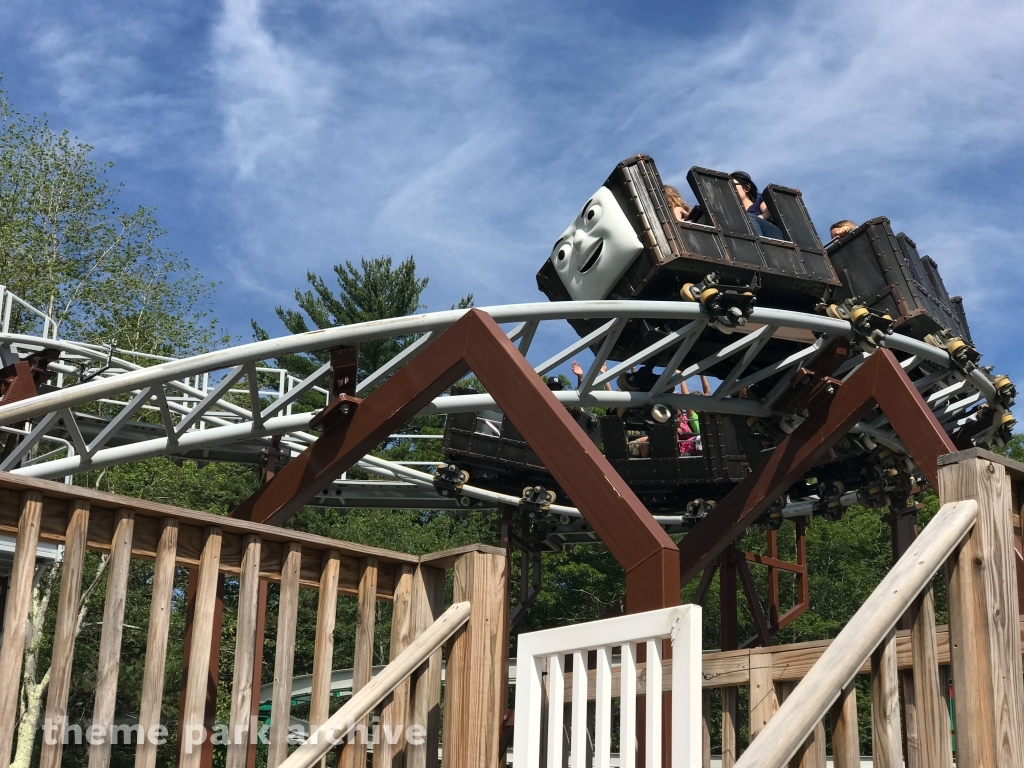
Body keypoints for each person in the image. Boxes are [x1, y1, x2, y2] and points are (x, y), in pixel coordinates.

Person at [729, 171, 784, 240]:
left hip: (772, 234)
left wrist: (758, 218)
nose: (730, 189)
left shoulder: (759, 201)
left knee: (747, 217)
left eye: (733, 185)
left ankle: (758, 246)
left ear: (747, 187)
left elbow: (769, 212)